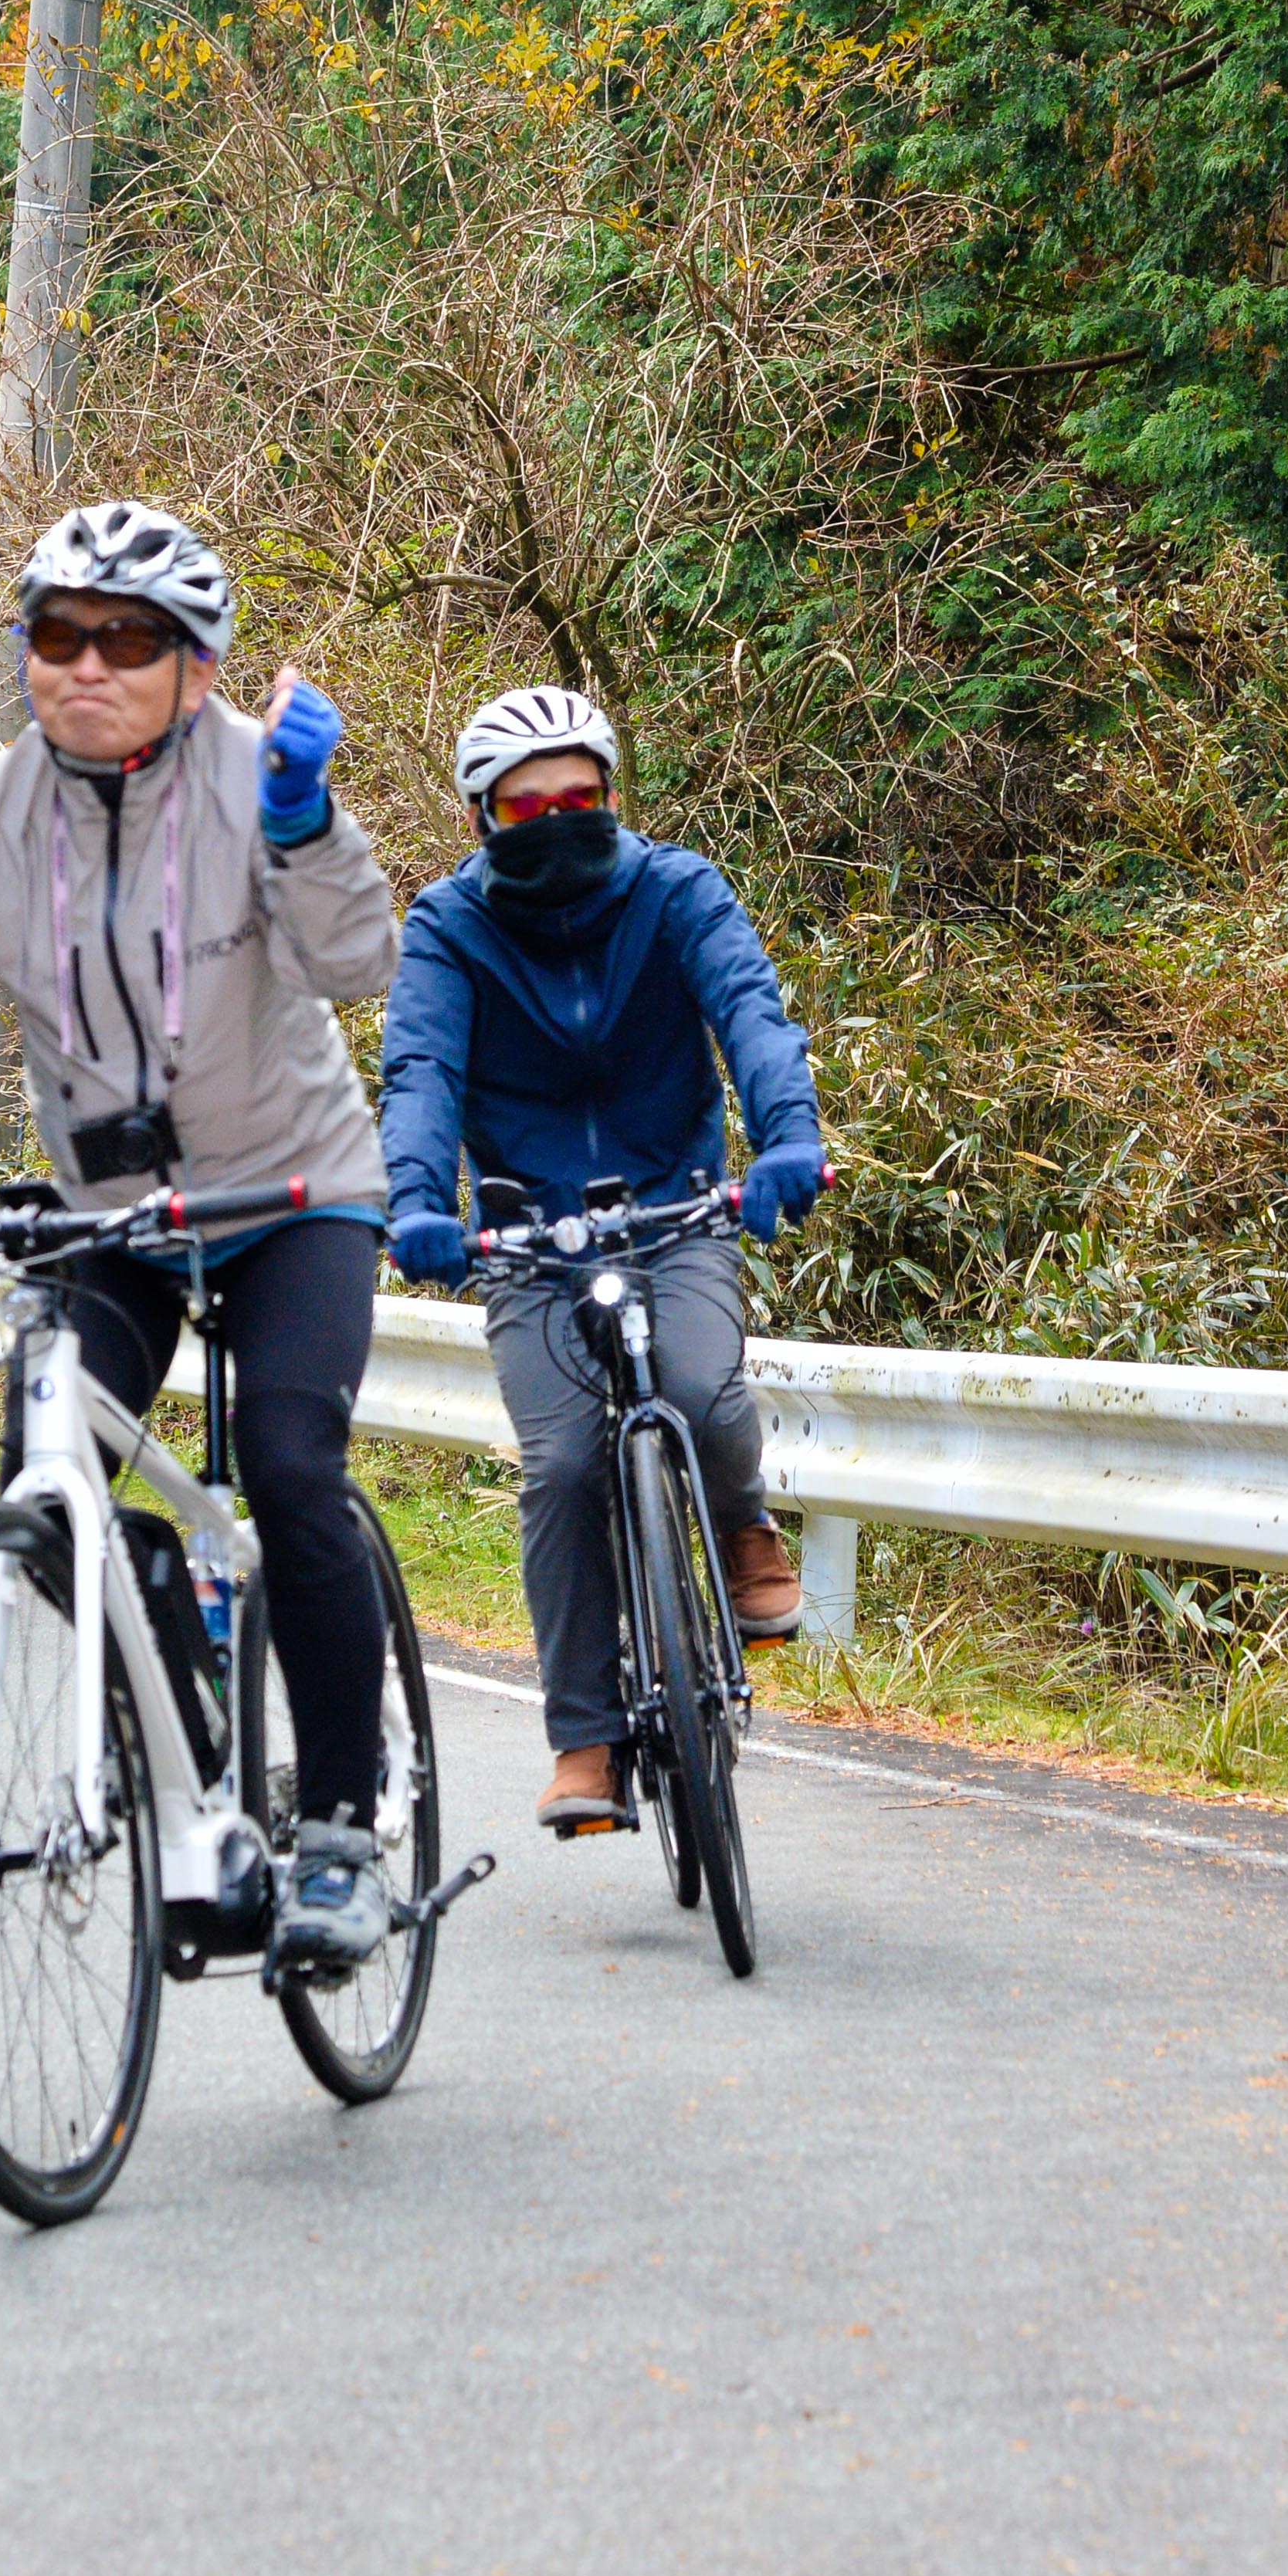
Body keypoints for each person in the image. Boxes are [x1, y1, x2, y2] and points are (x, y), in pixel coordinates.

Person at [0, 500, 405, 1962]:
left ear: (199, 668)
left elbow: (362, 964)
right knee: (53, 1502)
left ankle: (344, 1835)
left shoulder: (253, 782)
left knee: (293, 1468)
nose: (86, 666)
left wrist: (310, 826)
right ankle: (179, 1674)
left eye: (129, 640)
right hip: (114, 1211)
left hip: (293, 1193)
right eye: (57, 634)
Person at [377, 684, 827, 1834]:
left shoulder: (679, 890)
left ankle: (742, 1529)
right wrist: (420, 1202)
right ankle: (583, 1739)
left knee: (699, 1384)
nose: (558, 820)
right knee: (566, 1469)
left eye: (581, 798)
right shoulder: (447, 926)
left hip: (676, 1207)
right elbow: (421, 1073)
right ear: (484, 818)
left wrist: (789, 1141)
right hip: (527, 1239)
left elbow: (751, 1013)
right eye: (528, 809)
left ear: (613, 796)